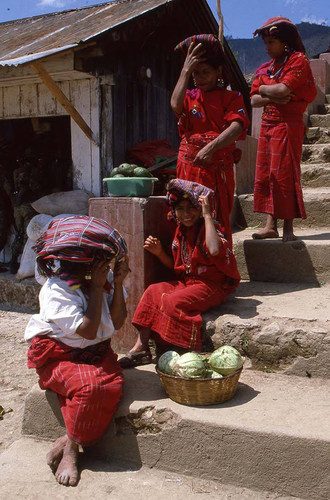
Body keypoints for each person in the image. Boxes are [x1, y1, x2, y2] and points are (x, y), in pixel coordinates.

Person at [24, 216, 130, 486]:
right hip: (58, 356)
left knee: (111, 384)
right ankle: (73, 450)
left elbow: (116, 322)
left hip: (94, 353)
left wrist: (116, 284)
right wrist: (95, 288)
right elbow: (87, 330)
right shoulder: (58, 288)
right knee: (90, 387)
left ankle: (68, 440)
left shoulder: (103, 281)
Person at [119, 179, 240, 368]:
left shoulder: (211, 229)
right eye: (180, 209)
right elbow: (178, 267)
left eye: (191, 208)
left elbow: (215, 250)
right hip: (188, 283)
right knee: (152, 291)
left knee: (171, 301)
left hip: (210, 286)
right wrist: (159, 253)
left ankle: (183, 351)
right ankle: (141, 347)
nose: (186, 214)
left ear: (200, 210)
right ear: (174, 211)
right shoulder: (181, 232)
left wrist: (207, 215)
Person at [171, 34, 250, 248]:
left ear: (219, 72)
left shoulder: (231, 98)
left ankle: (219, 272)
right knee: (188, 213)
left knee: (217, 215)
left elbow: (236, 127)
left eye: (205, 72)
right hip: (190, 166)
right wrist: (186, 70)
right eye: (196, 73)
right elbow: (175, 105)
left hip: (217, 169)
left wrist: (210, 148)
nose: (200, 77)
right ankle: (191, 268)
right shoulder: (189, 96)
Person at [250, 17, 317, 241]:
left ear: (284, 42)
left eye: (272, 43)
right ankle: (271, 225)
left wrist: (264, 90)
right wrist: (273, 92)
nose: (268, 48)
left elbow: (283, 89)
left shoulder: (298, 61)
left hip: (288, 124)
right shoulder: (266, 68)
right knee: (269, 174)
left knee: (285, 173)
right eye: (266, 43)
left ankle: (288, 228)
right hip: (268, 124)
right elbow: (254, 101)